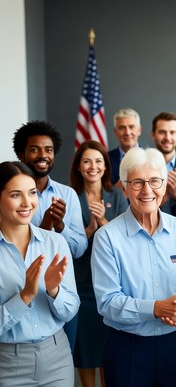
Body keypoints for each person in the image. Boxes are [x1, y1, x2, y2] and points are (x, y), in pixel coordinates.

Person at [91, 147, 176, 387]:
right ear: (123, 188)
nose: (147, 190)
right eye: (137, 182)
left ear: (165, 186)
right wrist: (157, 308)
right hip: (128, 348)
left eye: (155, 181)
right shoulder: (106, 237)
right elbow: (108, 302)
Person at [0, 161, 79, 387]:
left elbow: (71, 309)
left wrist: (54, 291)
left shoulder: (55, 242)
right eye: (16, 195)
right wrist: (25, 296)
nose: (27, 203)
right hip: (7, 364)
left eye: (32, 193)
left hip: (57, 357)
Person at [13, 120, 87, 351]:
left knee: (63, 354)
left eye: (49, 150)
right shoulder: (9, 196)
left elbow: (79, 248)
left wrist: (61, 226)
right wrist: (45, 225)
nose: (43, 155)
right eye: (34, 149)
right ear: (21, 154)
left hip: (61, 291)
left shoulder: (67, 194)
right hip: (19, 290)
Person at [70, 140, 129, 387]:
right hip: (82, 284)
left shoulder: (117, 195)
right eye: (86, 161)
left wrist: (103, 221)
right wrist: (90, 227)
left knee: (108, 350)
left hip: (112, 281)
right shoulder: (71, 197)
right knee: (85, 350)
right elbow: (68, 243)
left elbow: (125, 239)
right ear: (79, 167)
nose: (92, 166)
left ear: (105, 166)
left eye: (98, 161)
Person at [108, 108, 142, 184]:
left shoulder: (151, 157)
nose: (127, 132)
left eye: (131, 127)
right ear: (115, 132)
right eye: (122, 128)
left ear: (139, 130)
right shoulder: (106, 159)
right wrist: (115, 191)